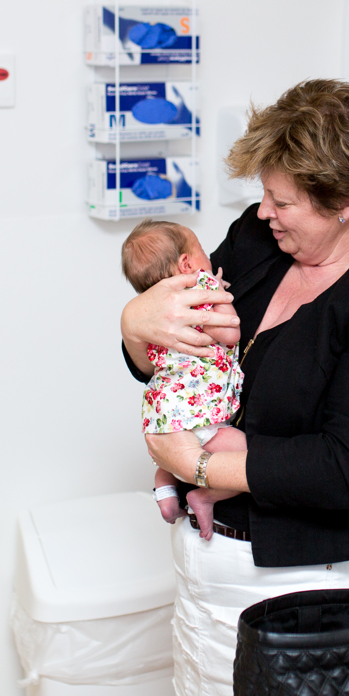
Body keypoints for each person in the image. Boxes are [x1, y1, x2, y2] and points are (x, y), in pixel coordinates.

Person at [119, 79, 349, 696]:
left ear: (347, 203)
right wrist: (134, 323)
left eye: (283, 201)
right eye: (265, 193)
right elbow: (178, 354)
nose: (263, 211)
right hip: (205, 564)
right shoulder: (258, 241)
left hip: (302, 584)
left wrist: (197, 465)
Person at [120, 219, 247, 538]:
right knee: (247, 456)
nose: (211, 257)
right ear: (187, 264)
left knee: (170, 460)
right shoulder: (200, 292)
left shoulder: (155, 306)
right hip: (198, 412)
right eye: (203, 250)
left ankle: (165, 494)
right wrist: (219, 295)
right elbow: (230, 334)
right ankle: (205, 496)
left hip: (164, 410)